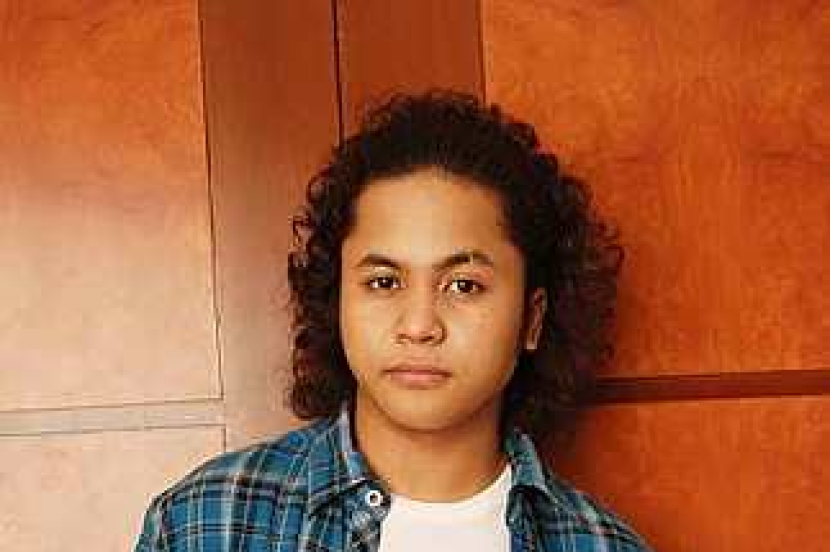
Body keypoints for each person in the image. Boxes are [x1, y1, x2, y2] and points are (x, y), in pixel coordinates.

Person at [134, 90, 652, 551]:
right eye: (384, 282)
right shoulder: (205, 522)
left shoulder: (601, 545)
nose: (419, 326)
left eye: (463, 286)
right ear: (337, 297)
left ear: (532, 320)